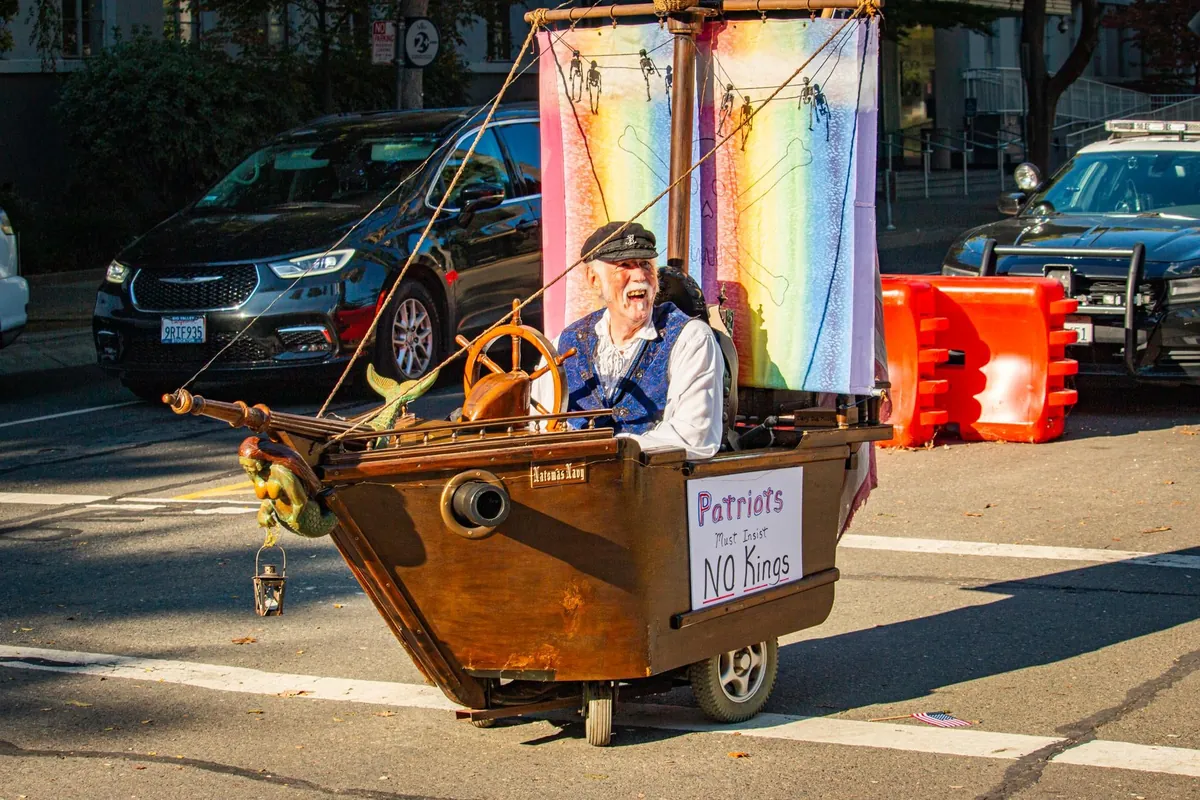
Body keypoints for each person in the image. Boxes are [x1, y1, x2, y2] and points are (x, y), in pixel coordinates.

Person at [531, 221, 723, 459]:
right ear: (594, 279)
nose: (640, 275)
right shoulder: (564, 343)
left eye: (645, 265)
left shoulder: (691, 339)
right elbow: (536, 428)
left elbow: (694, 436)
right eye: (625, 265)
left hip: (654, 487)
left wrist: (611, 450)